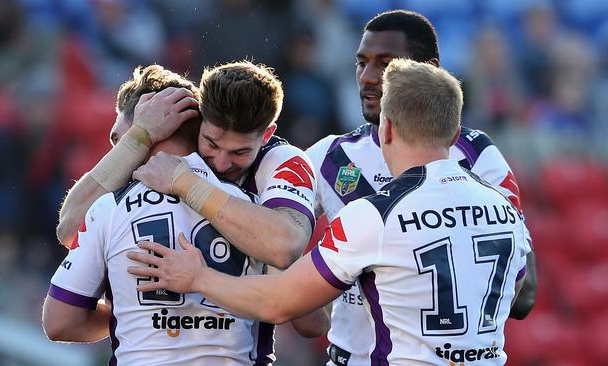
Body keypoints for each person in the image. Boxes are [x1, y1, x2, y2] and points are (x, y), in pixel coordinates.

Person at [126, 58, 535, 365]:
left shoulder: (374, 214)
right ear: (453, 131)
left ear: (387, 127)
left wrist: (198, 276)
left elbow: (280, 304)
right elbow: (517, 293)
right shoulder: (504, 207)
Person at [303, 10, 537, 365]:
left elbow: (524, 294)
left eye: (385, 64)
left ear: (428, 68)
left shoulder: (477, 155)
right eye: (361, 62)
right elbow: (278, 239)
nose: (367, 78)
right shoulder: (330, 156)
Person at [56, 60, 328, 340]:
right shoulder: (150, 161)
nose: (222, 164)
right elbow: (70, 229)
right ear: (200, 124)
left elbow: (288, 259)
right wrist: (137, 139)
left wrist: (185, 183)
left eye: (240, 152)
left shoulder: (281, 161)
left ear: (266, 135)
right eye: (211, 143)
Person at [42, 66, 274, 365]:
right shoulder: (256, 210)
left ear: (150, 124)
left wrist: (133, 311)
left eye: (118, 141)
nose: (116, 151)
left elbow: (60, 321)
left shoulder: (108, 208)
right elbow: (308, 319)